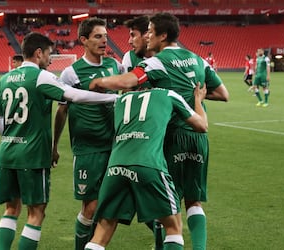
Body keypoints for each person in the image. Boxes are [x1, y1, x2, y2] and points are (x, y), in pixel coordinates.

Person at [89, 12, 229, 250]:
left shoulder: (156, 62)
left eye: (151, 32)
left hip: (171, 136)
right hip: (198, 134)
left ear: (163, 35)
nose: (148, 35)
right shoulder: (198, 59)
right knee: (194, 201)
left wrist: (99, 82)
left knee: (165, 204)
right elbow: (222, 94)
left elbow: (128, 82)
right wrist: (195, 99)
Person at [0, 32, 119, 250]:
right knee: (36, 213)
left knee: (11, 209)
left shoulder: (4, 79)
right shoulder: (41, 76)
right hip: (31, 155)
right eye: (49, 53)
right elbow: (75, 96)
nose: (51, 59)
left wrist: (15, 136)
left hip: (7, 152)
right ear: (39, 53)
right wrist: (115, 97)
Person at [84, 85, 208, 250]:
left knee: (101, 233)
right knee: (173, 228)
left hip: (115, 167)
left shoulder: (120, 100)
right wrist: (198, 100)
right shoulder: (168, 94)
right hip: (149, 165)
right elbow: (202, 125)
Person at [52, 17, 124, 250]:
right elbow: (61, 111)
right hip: (87, 149)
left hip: (115, 147)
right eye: (98, 36)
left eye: (105, 36)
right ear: (83, 40)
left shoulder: (116, 66)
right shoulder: (71, 73)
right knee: (90, 208)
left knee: (114, 206)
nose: (104, 40)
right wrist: (54, 146)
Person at [122, 15, 164, 250]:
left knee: (156, 194)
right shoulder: (129, 59)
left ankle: (166, 236)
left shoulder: (164, 58)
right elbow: (125, 93)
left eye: (132, 35)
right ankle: (166, 232)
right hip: (135, 135)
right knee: (136, 193)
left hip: (160, 135)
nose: (129, 41)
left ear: (147, 35)